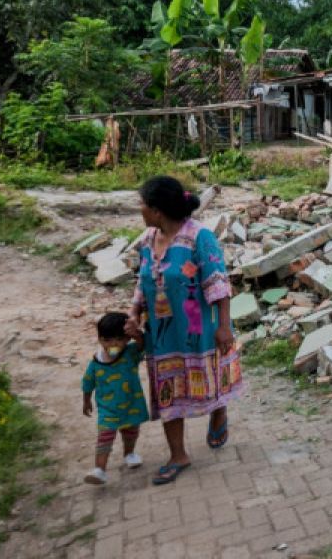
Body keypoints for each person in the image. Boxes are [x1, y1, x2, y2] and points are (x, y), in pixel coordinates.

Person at [126, 175, 242, 485]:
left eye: (143, 205)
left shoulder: (199, 237)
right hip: (162, 332)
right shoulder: (149, 239)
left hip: (197, 322)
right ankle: (178, 455)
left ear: (158, 210)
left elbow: (218, 280)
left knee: (206, 380)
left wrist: (223, 326)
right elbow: (143, 281)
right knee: (167, 390)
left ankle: (218, 411)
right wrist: (134, 313)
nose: (140, 210)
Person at [81, 312, 149, 485]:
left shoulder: (130, 353)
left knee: (131, 433)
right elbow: (88, 382)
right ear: (100, 340)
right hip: (108, 409)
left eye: (118, 340)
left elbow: (144, 346)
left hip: (131, 405)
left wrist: (138, 334)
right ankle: (100, 470)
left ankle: (129, 454)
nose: (112, 344)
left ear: (127, 340)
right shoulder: (96, 362)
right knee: (104, 438)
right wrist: (86, 401)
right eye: (107, 340)